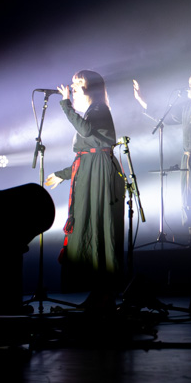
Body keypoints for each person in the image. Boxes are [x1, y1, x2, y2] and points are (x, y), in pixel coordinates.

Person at [44, 70, 124, 293]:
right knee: (85, 223)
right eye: (73, 82)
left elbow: (87, 133)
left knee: (99, 224)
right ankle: (92, 287)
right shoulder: (90, 112)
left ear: (92, 87)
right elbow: (86, 156)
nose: (73, 86)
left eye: (78, 82)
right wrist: (63, 174)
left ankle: (105, 289)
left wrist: (66, 105)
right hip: (90, 171)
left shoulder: (100, 109)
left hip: (100, 174)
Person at [132, 72, 191, 243]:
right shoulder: (186, 105)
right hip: (188, 158)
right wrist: (142, 100)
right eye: (190, 82)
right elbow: (165, 116)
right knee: (188, 197)